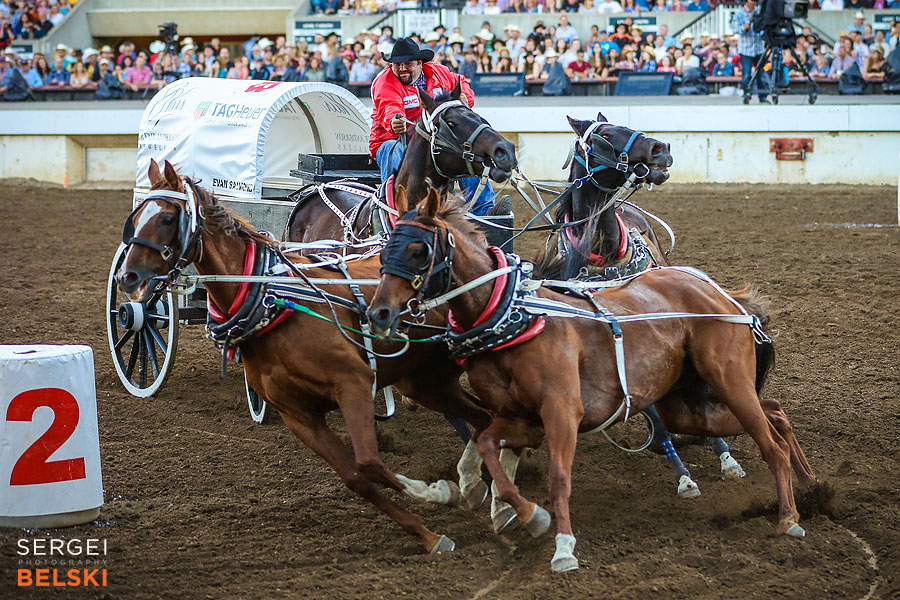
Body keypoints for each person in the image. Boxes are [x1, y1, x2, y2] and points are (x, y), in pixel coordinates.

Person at [369, 37, 496, 216]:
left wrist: (465, 97)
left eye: (408, 63)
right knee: (393, 149)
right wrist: (394, 121)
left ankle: (485, 210)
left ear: (420, 63)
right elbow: (389, 107)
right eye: (397, 64)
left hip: (432, 143)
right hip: (395, 140)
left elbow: (460, 82)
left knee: (466, 150)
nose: (402, 68)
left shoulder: (438, 72)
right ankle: (393, 209)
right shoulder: (385, 82)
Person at [731, 0, 769, 103]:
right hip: (746, 49)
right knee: (746, 74)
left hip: (758, 47)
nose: (754, 2)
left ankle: (763, 96)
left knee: (761, 73)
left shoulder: (759, 12)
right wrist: (744, 28)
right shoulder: (739, 13)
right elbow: (734, 29)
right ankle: (747, 94)